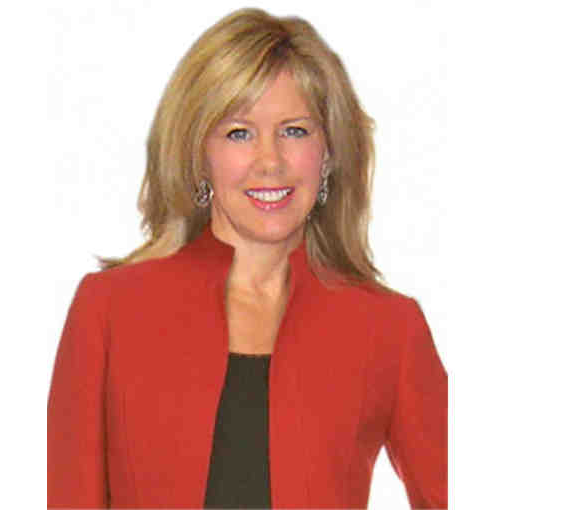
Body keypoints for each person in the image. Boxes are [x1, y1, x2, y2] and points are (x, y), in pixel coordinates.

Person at [47, 8, 447, 509]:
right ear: (198, 154)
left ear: (329, 152)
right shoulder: (108, 309)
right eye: (239, 133)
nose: (270, 161)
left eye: (295, 131)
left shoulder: (389, 327)